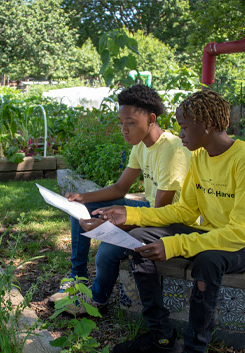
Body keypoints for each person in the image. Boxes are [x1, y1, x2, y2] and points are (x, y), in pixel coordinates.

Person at [85, 89, 245, 353]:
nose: (181, 134)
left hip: (237, 243)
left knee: (208, 261)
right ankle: (160, 335)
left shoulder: (242, 160)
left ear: (208, 124)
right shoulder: (199, 157)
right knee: (137, 239)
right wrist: (128, 214)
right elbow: (185, 211)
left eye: (185, 127)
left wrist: (174, 246)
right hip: (210, 235)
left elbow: (238, 231)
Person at [49, 84, 191, 315]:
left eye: (131, 123)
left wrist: (112, 224)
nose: (124, 129)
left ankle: (97, 300)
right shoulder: (142, 145)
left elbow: (161, 213)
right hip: (150, 208)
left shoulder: (171, 150)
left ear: (151, 119)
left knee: (107, 250)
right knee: (81, 208)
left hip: (171, 219)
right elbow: (120, 188)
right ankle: (78, 275)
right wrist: (82, 197)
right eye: (121, 122)